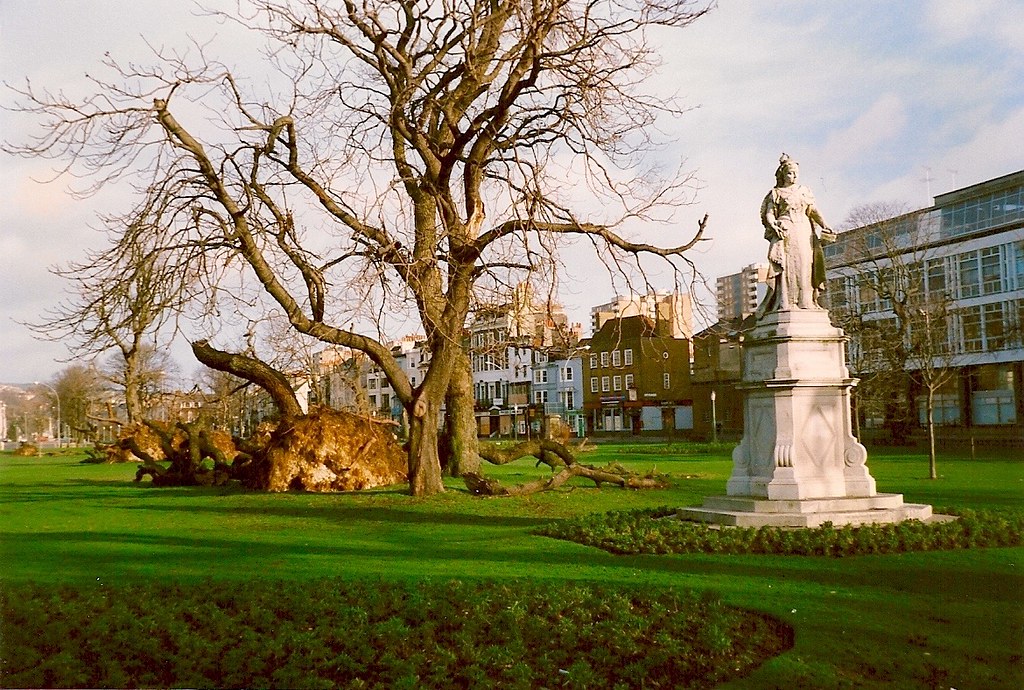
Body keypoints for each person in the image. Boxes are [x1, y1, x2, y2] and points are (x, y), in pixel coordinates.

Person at [758, 154, 835, 312]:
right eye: (790, 173)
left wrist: (824, 224)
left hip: (804, 231)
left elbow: (813, 211)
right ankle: (786, 301)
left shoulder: (804, 191)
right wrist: (773, 224)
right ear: (783, 174)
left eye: (796, 173)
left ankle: (806, 301)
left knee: (806, 264)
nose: (794, 176)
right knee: (787, 266)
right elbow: (770, 213)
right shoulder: (776, 193)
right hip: (785, 230)